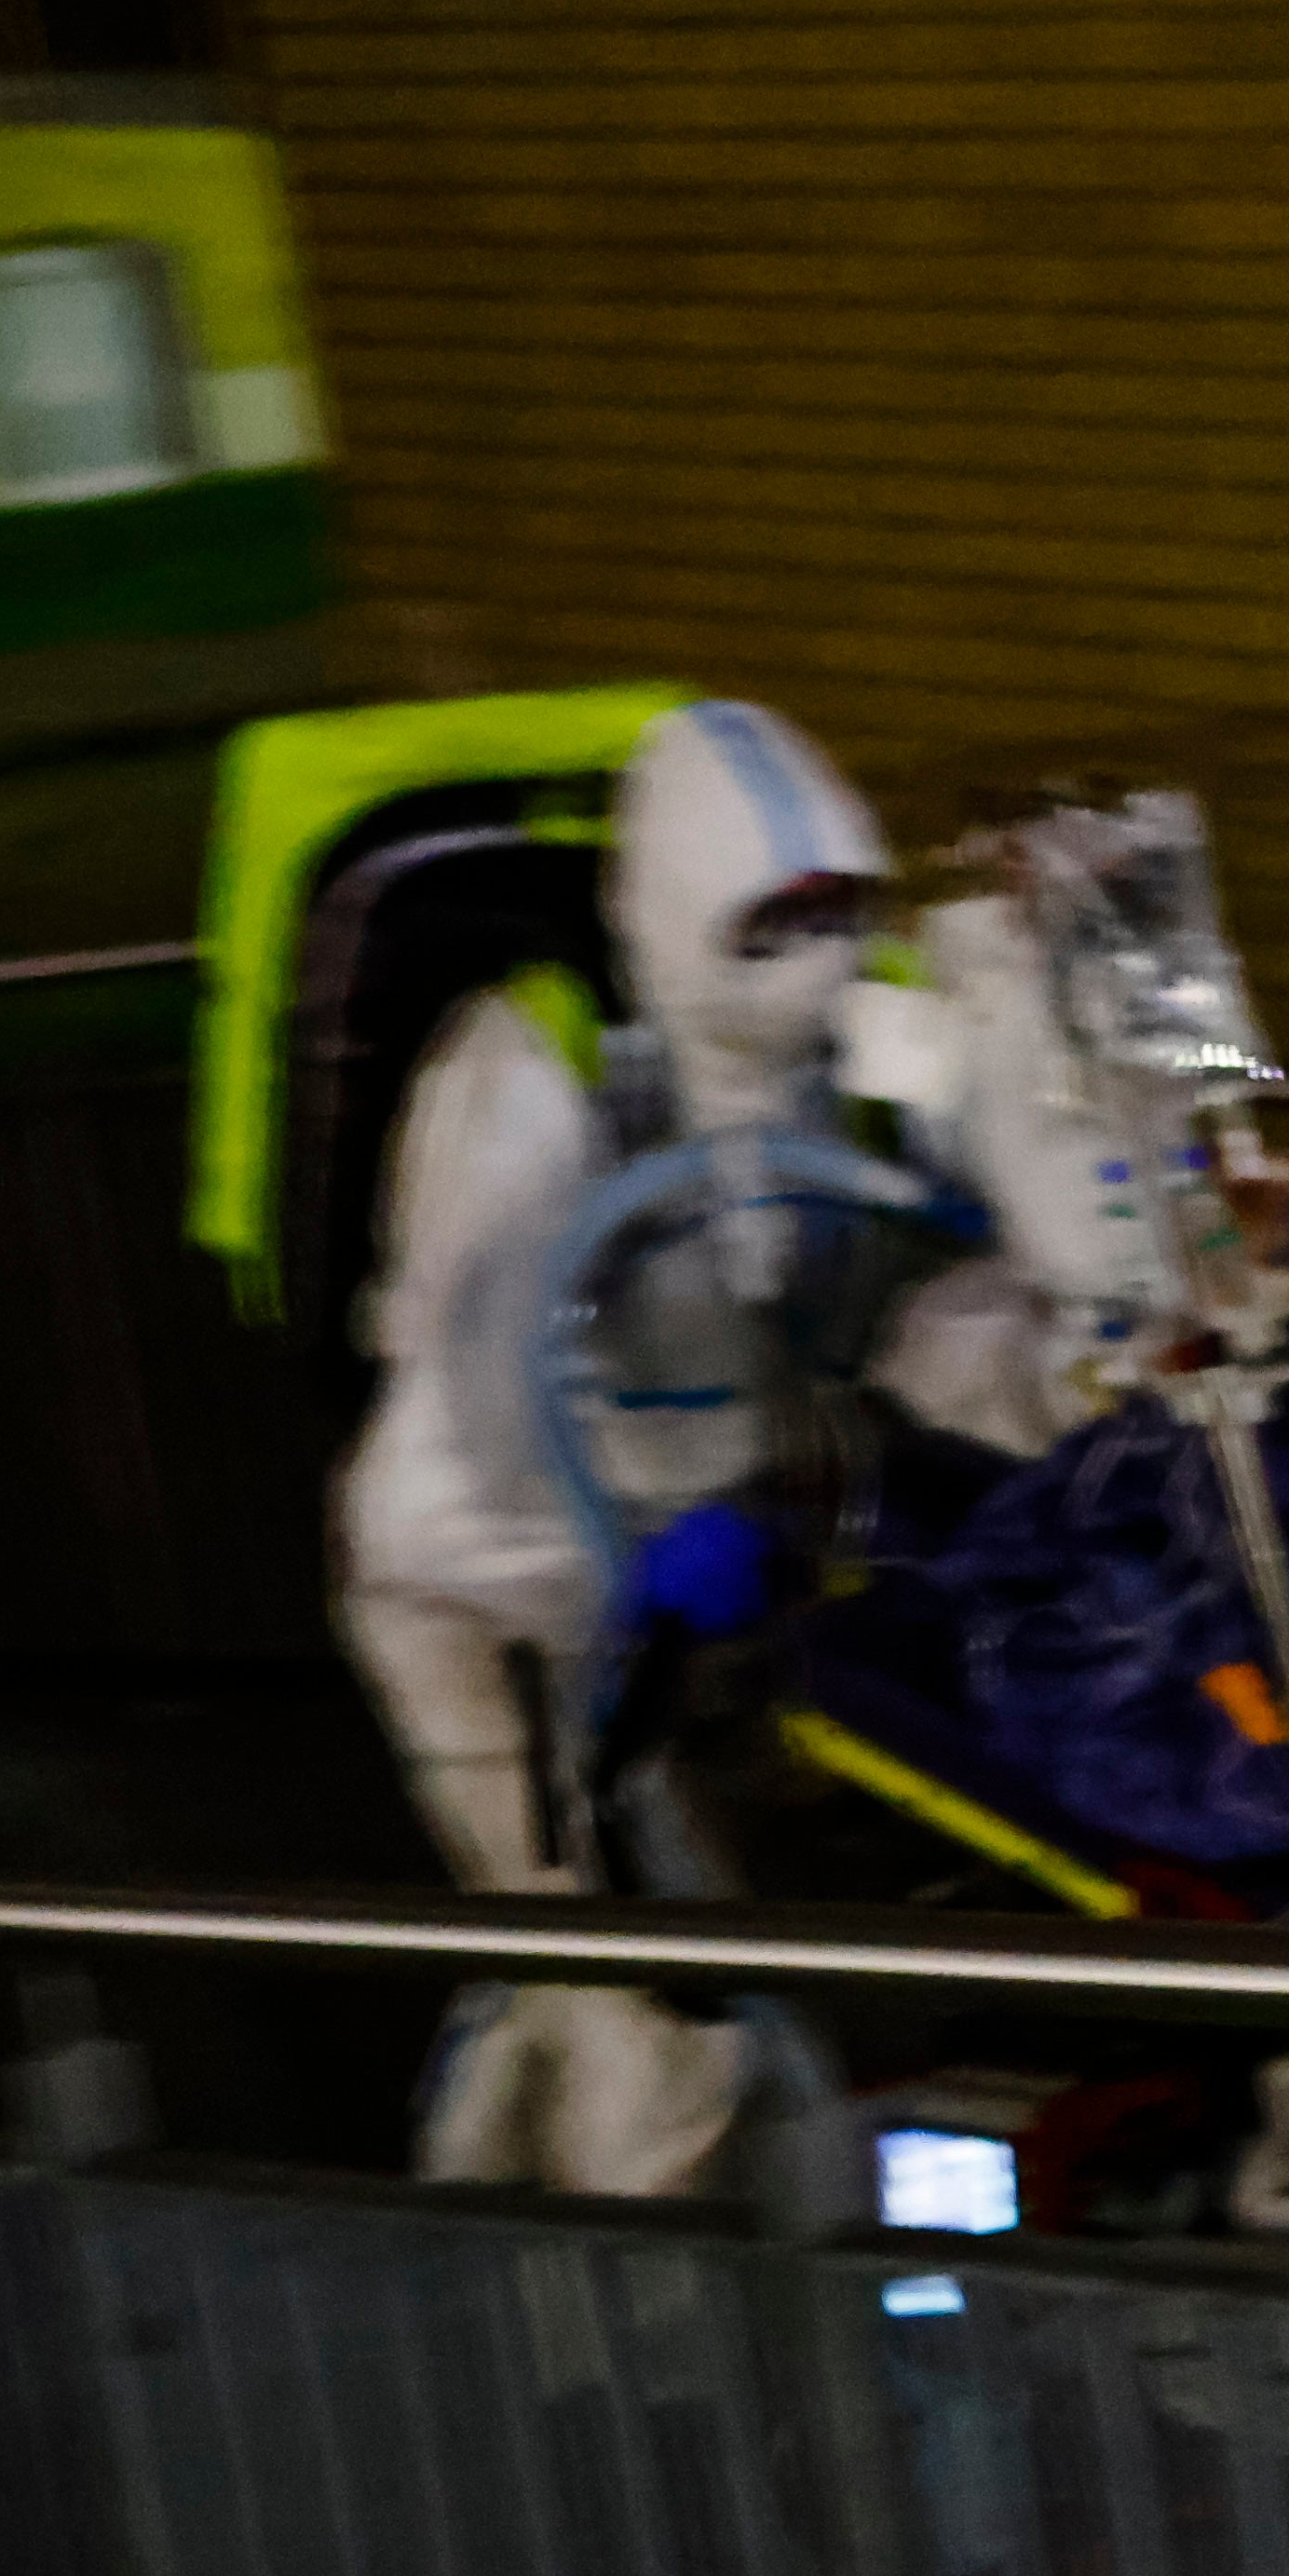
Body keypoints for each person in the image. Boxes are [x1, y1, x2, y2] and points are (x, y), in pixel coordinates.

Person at [336, 696, 941, 2190]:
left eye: (838, 912)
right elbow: (465, 1435)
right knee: (608, 1977)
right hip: (484, 1593)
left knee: (635, 1960)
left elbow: (1004, 1211)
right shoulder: (532, 1066)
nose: (814, 959)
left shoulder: (859, 1041)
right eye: (769, 921)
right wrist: (625, 1582)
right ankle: (603, 2335)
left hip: (695, 1566)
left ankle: (511, 2227)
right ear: (680, 911)